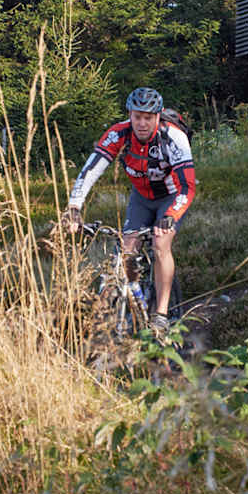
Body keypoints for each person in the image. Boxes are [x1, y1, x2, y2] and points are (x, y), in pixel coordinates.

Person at [64, 87, 196, 332]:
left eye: (148, 117)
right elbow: (90, 170)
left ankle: (161, 314)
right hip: (141, 197)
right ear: (130, 115)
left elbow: (187, 186)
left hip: (171, 196)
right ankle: (131, 304)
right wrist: (74, 206)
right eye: (137, 117)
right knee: (127, 251)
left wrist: (170, 216)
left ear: (157, 116)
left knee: (160, 244)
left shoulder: (174, 137)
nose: (142, 123)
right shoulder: (119, 134)